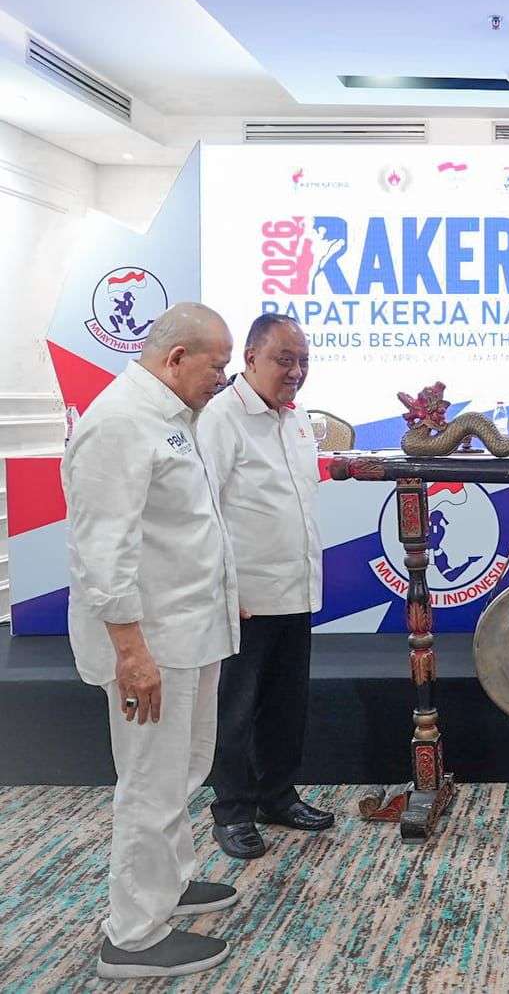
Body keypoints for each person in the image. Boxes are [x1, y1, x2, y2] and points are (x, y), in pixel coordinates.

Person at [64, 303, 241, 979]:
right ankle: (133, 937)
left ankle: (168, 884)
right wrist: (131, 653)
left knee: (182, 771)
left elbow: (182, 528)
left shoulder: (173, 417)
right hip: (152, 644)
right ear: (176, 358)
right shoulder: (118, 422)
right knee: (149, 783)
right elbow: (101, 552)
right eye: (217, 366)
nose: (223, 379)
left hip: (189, 632)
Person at [199, 314, 332, 860]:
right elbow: (202, 510)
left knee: (285, 705)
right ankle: (233, 811)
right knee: (234, 710)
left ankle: (278, 796)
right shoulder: (219, 419)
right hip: (245, 599)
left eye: (303, 361)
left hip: (295, 590)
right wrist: (221, 587)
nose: (296, 371)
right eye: (284, 359)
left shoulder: (296, 420)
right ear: (250, 358)